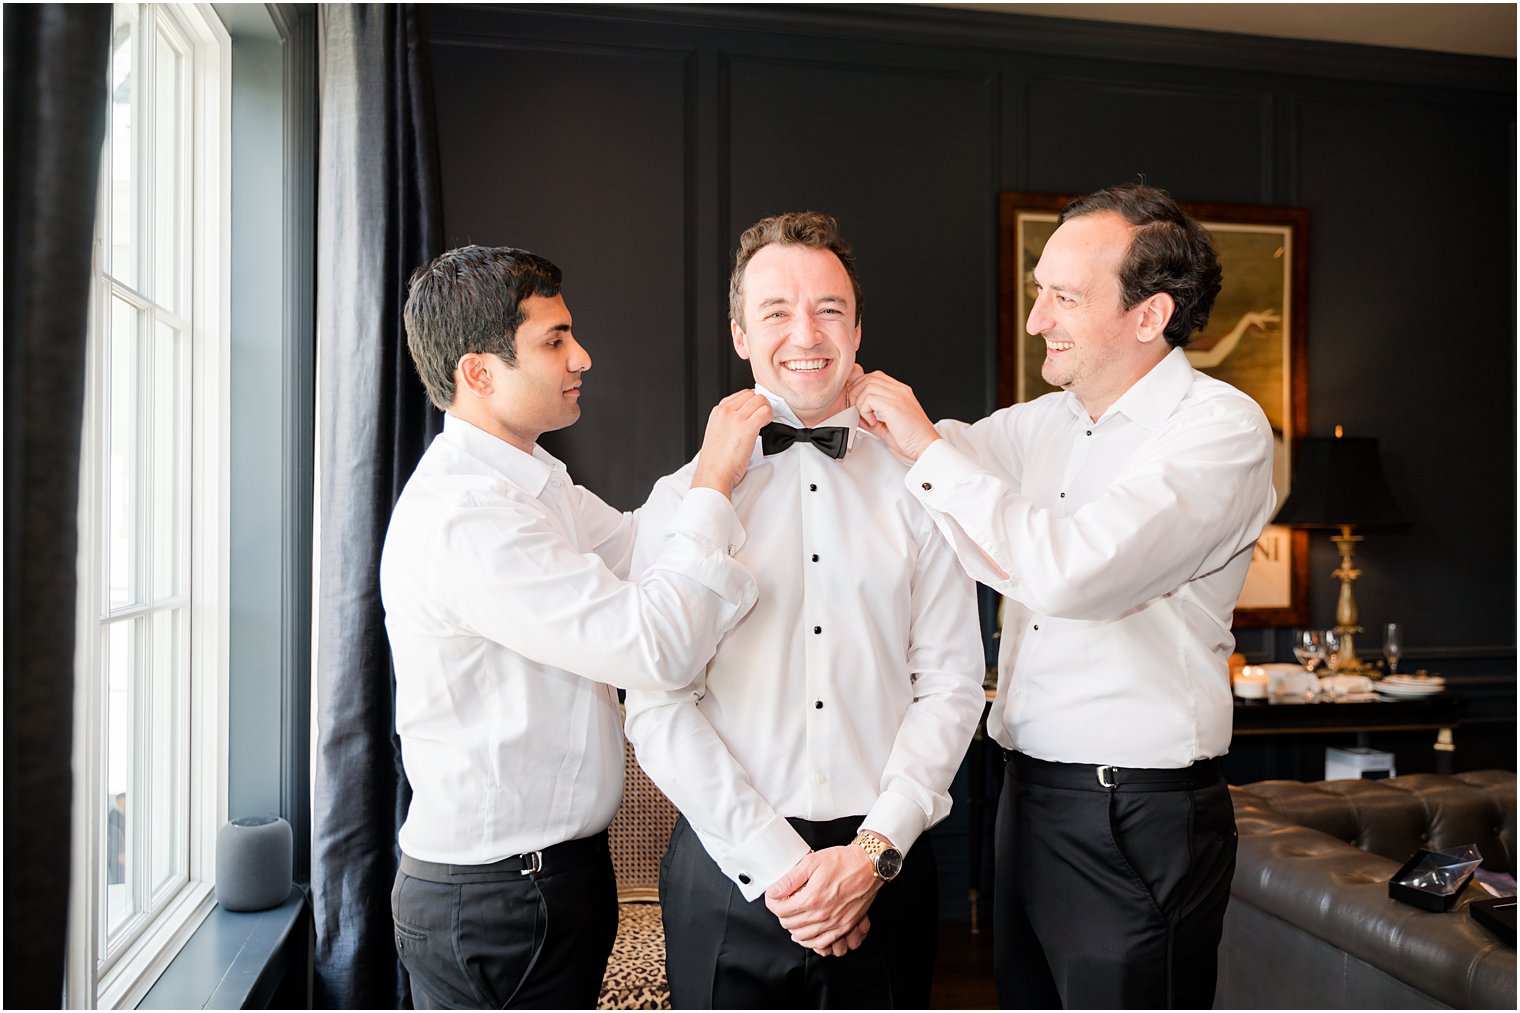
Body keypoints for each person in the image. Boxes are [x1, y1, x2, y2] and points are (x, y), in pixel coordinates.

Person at [847, 182, 1277, 1009]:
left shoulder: (1219, 430)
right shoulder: (1043, 424)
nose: (1039, 318)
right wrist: (835, 385)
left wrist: (924, 446)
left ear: (1149, 315)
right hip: (1027, 794)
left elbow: (1075, 571)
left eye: (1064, 298)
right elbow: (920, 468)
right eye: (1040, 291)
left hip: (1135, 815)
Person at [380, 245, 773, 1009]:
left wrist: (737, 451)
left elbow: (634, 542)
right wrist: (717, 478)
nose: (581, 356)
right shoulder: (472, 518)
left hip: (549, 877)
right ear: (479, 372)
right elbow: (651, 645)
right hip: (499, 898)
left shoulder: (532, 478)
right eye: (553, 341)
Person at [623, 212, 986, 1008]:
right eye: (776, 311)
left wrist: (872, 853)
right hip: (730, 875)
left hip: (887, 866)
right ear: (741, 335)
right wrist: (781, 865)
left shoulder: (926, 488)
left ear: (858, 328)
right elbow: (655, 704)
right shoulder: (680, 501)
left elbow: (953, 684)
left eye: (828, 308)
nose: (806, 332)